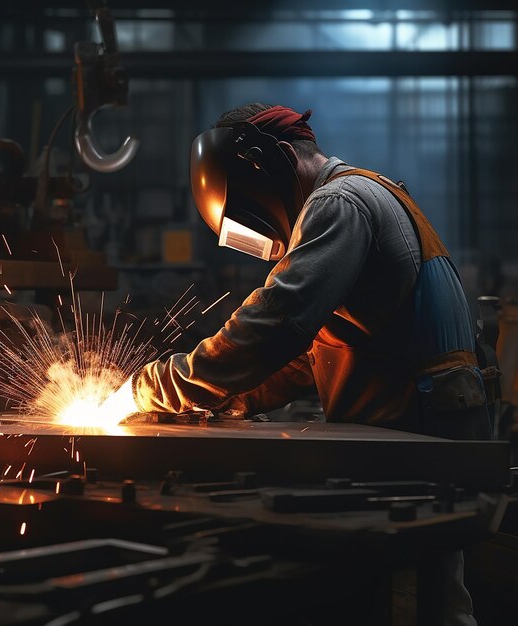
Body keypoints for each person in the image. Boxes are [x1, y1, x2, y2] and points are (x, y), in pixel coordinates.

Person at [119, 103, 492, 625]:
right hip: (428, 430)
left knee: (410, 601)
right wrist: (229, 400)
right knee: (434, 596)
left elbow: (277, 322)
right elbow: (307, 351)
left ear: (272, 161)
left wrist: (158, 387)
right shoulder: (370, 193)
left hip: (415, 434)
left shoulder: (338, 203)